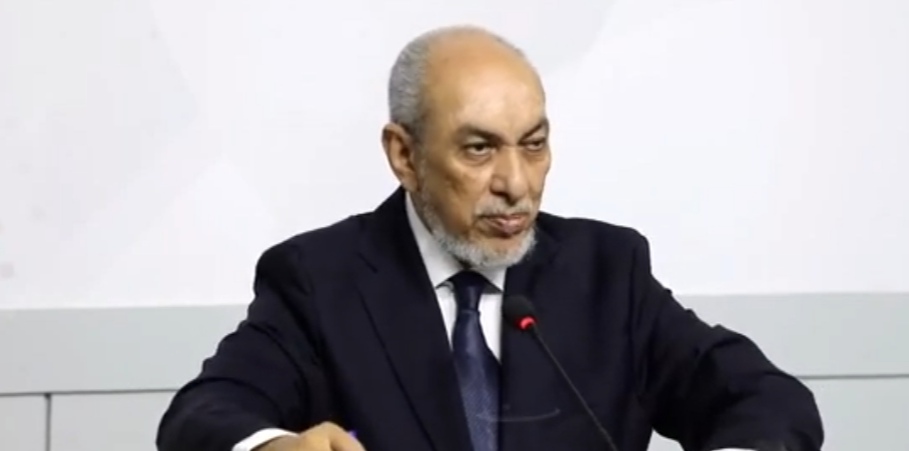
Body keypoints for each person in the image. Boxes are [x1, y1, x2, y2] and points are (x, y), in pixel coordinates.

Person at [156, 25, 823, 451]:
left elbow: (766, 398)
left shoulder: (606, 271)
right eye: (479, 150)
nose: (516, 184)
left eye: (533, 145)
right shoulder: (320, 279)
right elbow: (202, 413)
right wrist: (273, 445)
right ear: (404, 155)